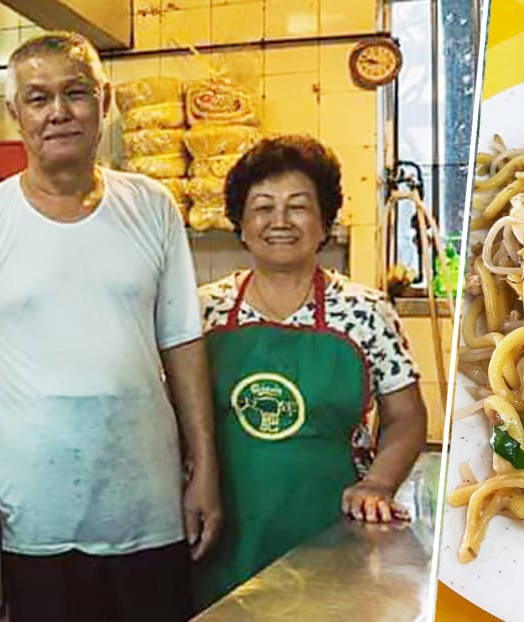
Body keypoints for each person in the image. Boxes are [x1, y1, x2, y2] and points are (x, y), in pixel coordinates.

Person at [0, 32, 221, 622]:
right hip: (39, 518)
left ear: (104, 103)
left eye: (75, 93)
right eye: (38, 97)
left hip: (149, 511)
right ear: (16, 115)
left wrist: (204, 469)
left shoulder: (152, 205)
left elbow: (182, 342)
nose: (58, 111)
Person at [194, 134, 428, 609]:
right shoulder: (204, 312)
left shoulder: (365, 311)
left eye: (298, 206)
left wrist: (378, 484)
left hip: (333, 540)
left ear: (325, 223)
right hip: (222, 533)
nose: (279, 221)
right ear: (240, 223)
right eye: (262, 207)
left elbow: (406, 417)